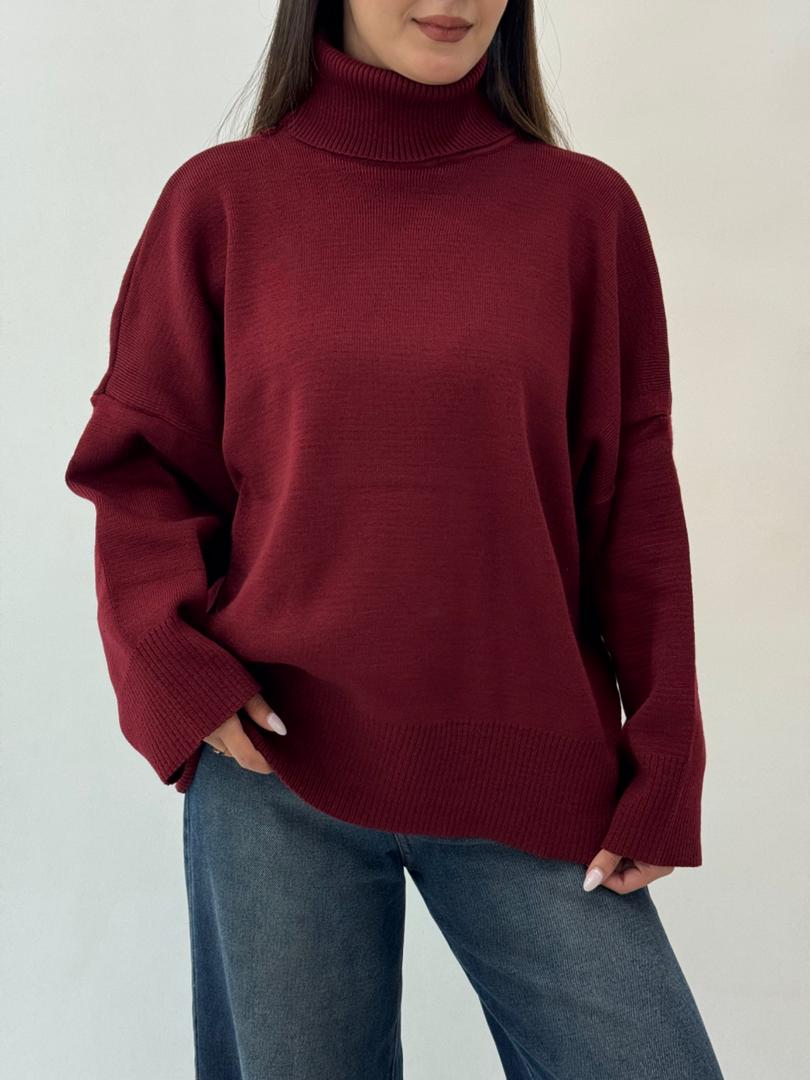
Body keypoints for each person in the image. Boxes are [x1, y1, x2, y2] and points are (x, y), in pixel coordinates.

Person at [63, 2, 725, 1077]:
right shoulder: (222, 203)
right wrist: (179, 673)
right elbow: (139, 470)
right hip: (276, 772)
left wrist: (667, 759)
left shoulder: (583, 212)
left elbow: (634, 509)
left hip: (530, 766)